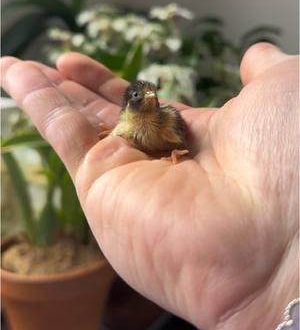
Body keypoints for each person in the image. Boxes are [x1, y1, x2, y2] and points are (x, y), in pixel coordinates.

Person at [1, 43, 298, 330]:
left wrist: (177, 151)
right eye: (141, 97)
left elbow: (176, 137)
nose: (150, 99)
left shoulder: (165, 121)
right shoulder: (125, 124)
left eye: (153, 95)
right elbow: (121, 130)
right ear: (129, 106)